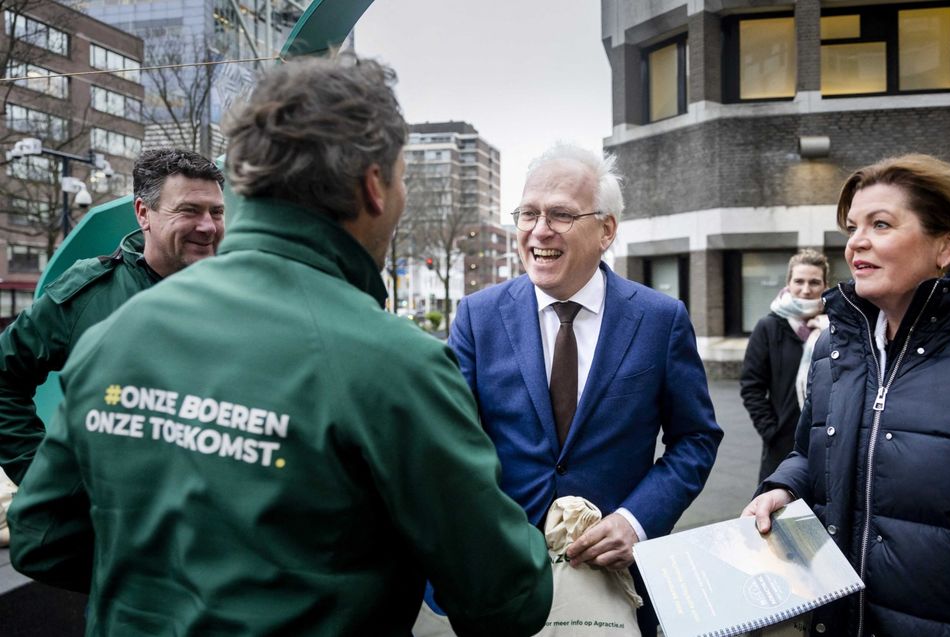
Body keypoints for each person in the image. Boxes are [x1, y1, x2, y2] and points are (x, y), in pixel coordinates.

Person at [9, 54, 551, 636]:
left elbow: (41, 539)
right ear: (374, 186)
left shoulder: (114, 337)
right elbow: (506, 600)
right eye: (402, 179)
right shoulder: (398, 366)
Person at [449, 143, 723, 636]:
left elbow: (696, 439)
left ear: (606, 229)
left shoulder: (660, 321)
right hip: (501, 583)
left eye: (560, 215)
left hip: (616, 585)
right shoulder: (477, 317)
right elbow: (453, 443)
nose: (539, 230)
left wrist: (637, 521)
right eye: (528, 214)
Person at [743, 154, 950, 635]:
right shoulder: (837, 344)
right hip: (842, 617)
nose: (856, 244)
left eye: (881, 224)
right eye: (853, 227)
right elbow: (814, 452)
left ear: (947, 245)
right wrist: (784, 486)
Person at [0, 148, 225, 486]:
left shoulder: (247, 295)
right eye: (189, 211)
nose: (208, 226)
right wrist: (45, 479)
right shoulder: (87, 295)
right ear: (143, 213)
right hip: (112, 525)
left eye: (217, 212)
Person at [740, 249, 829, 482]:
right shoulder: (768, 327)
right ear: (788, 283)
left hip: (830, 443)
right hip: (783, 445)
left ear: (825, 285)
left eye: (814, 282)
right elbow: (752, 386)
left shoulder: (837, 326)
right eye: (799, 281)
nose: (806, 289)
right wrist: (772, 432)